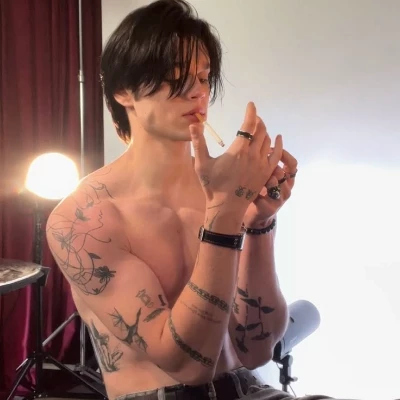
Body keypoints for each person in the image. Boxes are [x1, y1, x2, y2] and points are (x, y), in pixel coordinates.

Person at [46, 1, 349, 399]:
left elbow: (256, 348)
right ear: (123, 91)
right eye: (174, 76)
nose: (197, 92)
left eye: (203, 77)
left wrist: (258, 223)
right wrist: (224, 213)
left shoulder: (224, 185)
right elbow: (187, 365)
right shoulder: (85, 219)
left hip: (247, 387)